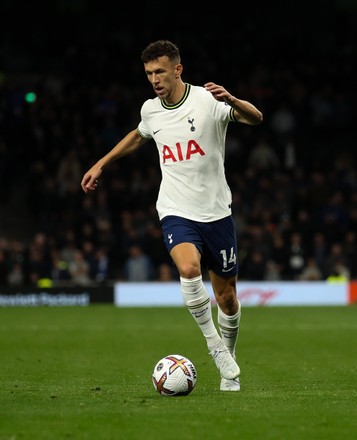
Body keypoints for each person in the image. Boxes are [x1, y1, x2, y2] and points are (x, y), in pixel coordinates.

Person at [81, 40, 263, 391]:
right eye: (149, 73)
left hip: (216, 213)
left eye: (160, 71)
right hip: (175, 209)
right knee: (188, 269)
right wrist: (101, 163)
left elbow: (255, 118)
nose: (154, 79)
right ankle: (214, 347)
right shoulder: (151, 110)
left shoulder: (208, 100)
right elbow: (138, 135)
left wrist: (233, 100)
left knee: (227, 297)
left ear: (177, 69)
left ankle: (228, 353)